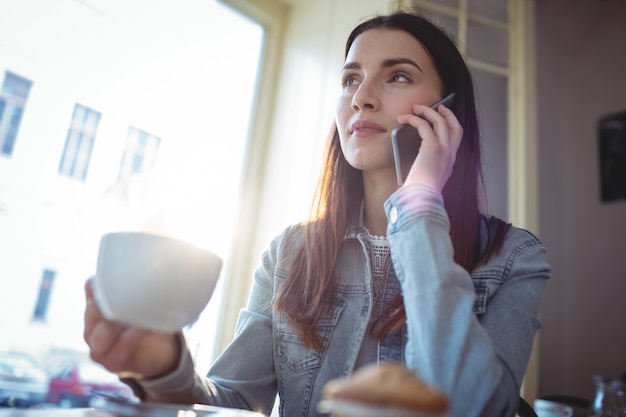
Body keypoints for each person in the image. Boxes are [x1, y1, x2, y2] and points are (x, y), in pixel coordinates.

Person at [83, 9, 550, 417]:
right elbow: (234, 403)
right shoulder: (289, 252)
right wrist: (164, 366)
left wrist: (421, 198)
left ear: (447, 113)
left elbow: (472, 406)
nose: (361, 97)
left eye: (398, 76)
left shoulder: (515, 257)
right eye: (350, 78)